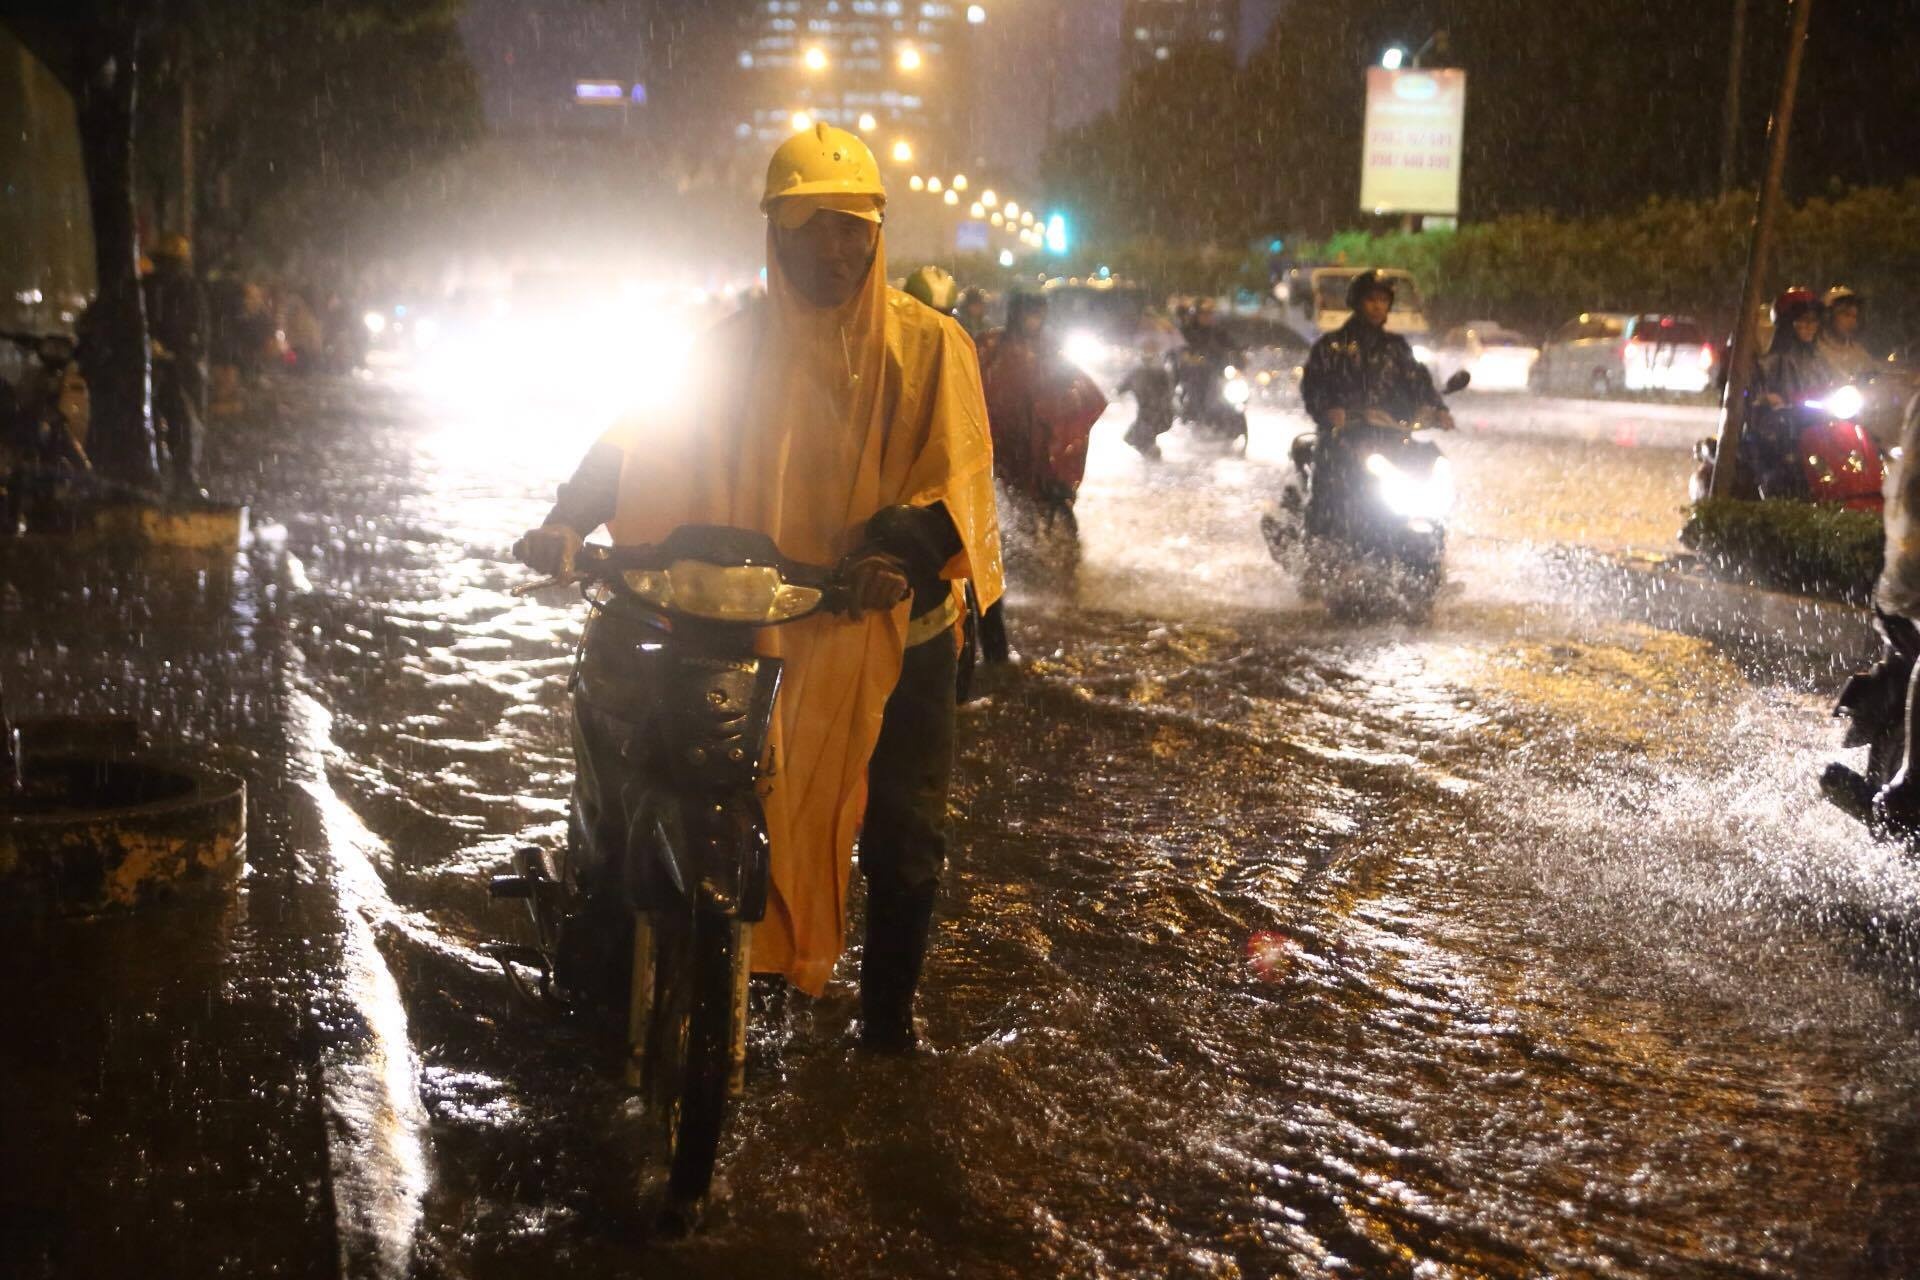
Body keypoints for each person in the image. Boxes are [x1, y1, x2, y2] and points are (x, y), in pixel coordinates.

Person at [513, 124, 1002, 1052]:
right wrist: (571, 519)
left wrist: (895, 548)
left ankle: (888, 1031)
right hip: (775, 620)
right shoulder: (733, 346)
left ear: (879, 232)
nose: (834, 248)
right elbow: (639, 439)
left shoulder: (933, 348)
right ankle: (756, 983)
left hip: (903, 629)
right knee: (750, 807)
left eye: (851, 227)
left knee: (903, 834)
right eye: (811, 226)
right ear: (774, 233)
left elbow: (961, 483)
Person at [974, 291, 1106, 662]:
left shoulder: (1050, 350)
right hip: (1003, 446)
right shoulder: (992, 346)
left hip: (1039, 447)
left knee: (1058, 508)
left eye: (1039, 314)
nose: (1034, 320)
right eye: (1029, 313)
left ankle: (1066, 576)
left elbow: (1075, 393)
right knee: (1003, 516)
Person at [1298, 270, 1450, 529]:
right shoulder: (1331, 346)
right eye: (1371, 299)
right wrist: (1329, 410)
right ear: (1357, 302)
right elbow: (1313, 386)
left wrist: (1437, 409)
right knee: (1329, 495)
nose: (1378, 306)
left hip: (1391, 436)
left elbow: (1418, 382)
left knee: (1430, 466)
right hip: (1344, 439)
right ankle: (1317, 549)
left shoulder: (1397, 348)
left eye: (1383, 300)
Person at [1745, 287, 1832, 496]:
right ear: (1786, 323)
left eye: (1813, 321)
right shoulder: (1769, 361)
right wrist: (1770, 400)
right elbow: (1755, 396)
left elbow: (1831, 387)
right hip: (1782, 434)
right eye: (1802, 320)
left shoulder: (1819, 360)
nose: (1809, 326)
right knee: (1779, 476)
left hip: (1818, 428)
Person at [142, 234, 208, 493]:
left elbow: (197, 333)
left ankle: (183, 479)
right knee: (166, 422)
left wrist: (175, 351)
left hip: (179, 368)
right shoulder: (149, 288)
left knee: (182, 421)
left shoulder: (189, 291)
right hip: (156, 367)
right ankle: (169, 478)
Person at [1817, 285, 1875, 383]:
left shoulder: (1859, 353)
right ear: (1828, 317)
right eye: (1846, 315)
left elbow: (1874, 377)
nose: (1852, 321)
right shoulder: (1815, 352)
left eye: (1854, 316)